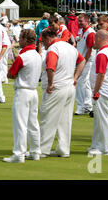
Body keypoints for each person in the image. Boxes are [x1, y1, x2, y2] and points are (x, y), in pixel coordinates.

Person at [39, 28, 85, 158]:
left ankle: (42, 149)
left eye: (43, 42)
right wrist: (75, 78)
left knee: (47, 118)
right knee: (64, 120)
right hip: (69, 87)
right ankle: (63, 149)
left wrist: (49, 84)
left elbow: (50, 67)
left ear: (48, 39)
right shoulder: (70, 47)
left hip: (57, 88)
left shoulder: (53, 49)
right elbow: (82, 61)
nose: (43, 45)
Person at [4, 29, 42, 163]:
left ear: (26, 40)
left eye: (20, 38)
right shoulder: (38, 55)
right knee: (33, 123)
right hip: (33, 91)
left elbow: (11, 74)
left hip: (23, 91)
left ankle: (19, 154)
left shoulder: (23, 56)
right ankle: (35, 152)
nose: (19, 40)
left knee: (20, 124)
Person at [88, 30, 108, 156]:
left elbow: (101, 74)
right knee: (100, 119)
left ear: (99, 39)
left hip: (103, 90)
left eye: (95, 39)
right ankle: (97, 145)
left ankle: (105, 148)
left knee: (102, 120)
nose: (94, 42)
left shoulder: (102, 54)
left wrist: (96, 91)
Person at [75, 14, 96, 115]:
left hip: (86, 61)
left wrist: (83, 62)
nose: (79, 23)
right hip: (81, 60)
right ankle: (87, 105)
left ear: (87, 21)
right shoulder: (81, 31)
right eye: (78, 21)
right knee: (85, 83)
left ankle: (81, 107)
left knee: (80, 83)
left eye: (81, 21)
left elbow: (90, 49)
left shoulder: (90, 32)